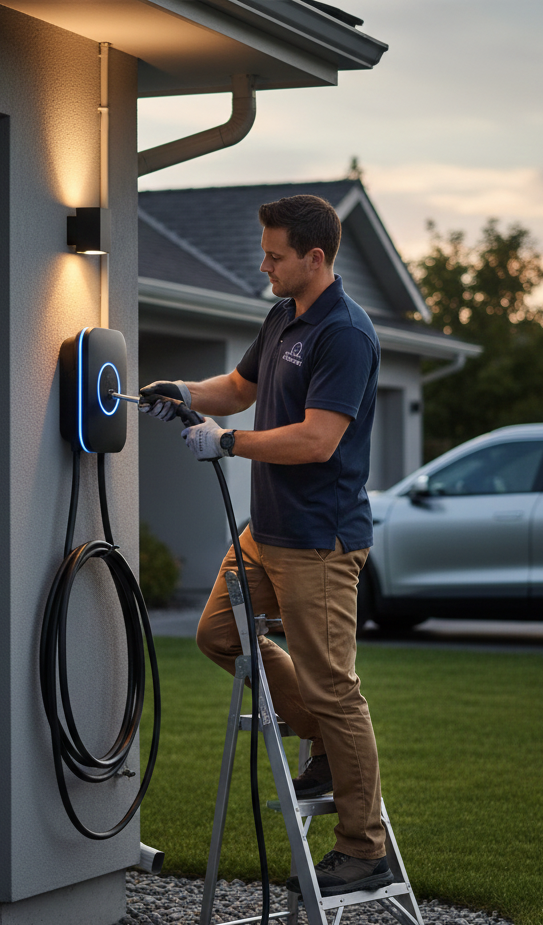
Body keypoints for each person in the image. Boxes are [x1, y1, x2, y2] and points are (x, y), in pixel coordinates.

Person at [139, 194, 390, 897]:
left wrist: (229, 443)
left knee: (335, 689)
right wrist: (185, 390)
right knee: (219, 635)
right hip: (264, 534)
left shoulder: (346, 333)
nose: (265, 264)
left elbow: (317, 439)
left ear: (315, 257)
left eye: (276, 254)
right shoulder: (282, 314)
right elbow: (241, 385)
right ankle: (320, 745)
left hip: (319, 542)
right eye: (265, 251)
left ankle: (363, 846)